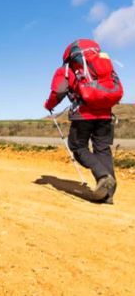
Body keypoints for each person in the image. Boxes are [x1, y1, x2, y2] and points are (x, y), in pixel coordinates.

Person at [44, 39, 123, 204]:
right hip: (106, 115)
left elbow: (58, 91)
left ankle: (103, 176)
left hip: (83, 115)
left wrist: (48, 105)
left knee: (78, 147)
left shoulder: (67, 69)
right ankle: (108, 195)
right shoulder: (103, 65)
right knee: (103, 149)